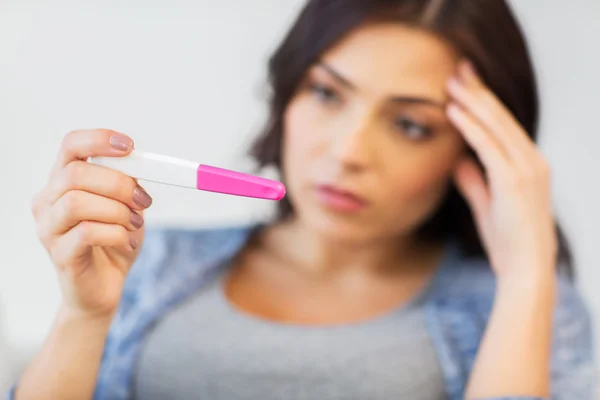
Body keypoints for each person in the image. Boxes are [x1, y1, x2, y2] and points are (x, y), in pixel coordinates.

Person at [8, 0, 596, 399]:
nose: (347, 152)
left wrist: (526, 274)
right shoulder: (143, 263)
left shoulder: (520, 307)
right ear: (287, 94)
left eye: (411, 125)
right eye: (326, 93)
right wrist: (84, 315)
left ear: (477, 154)